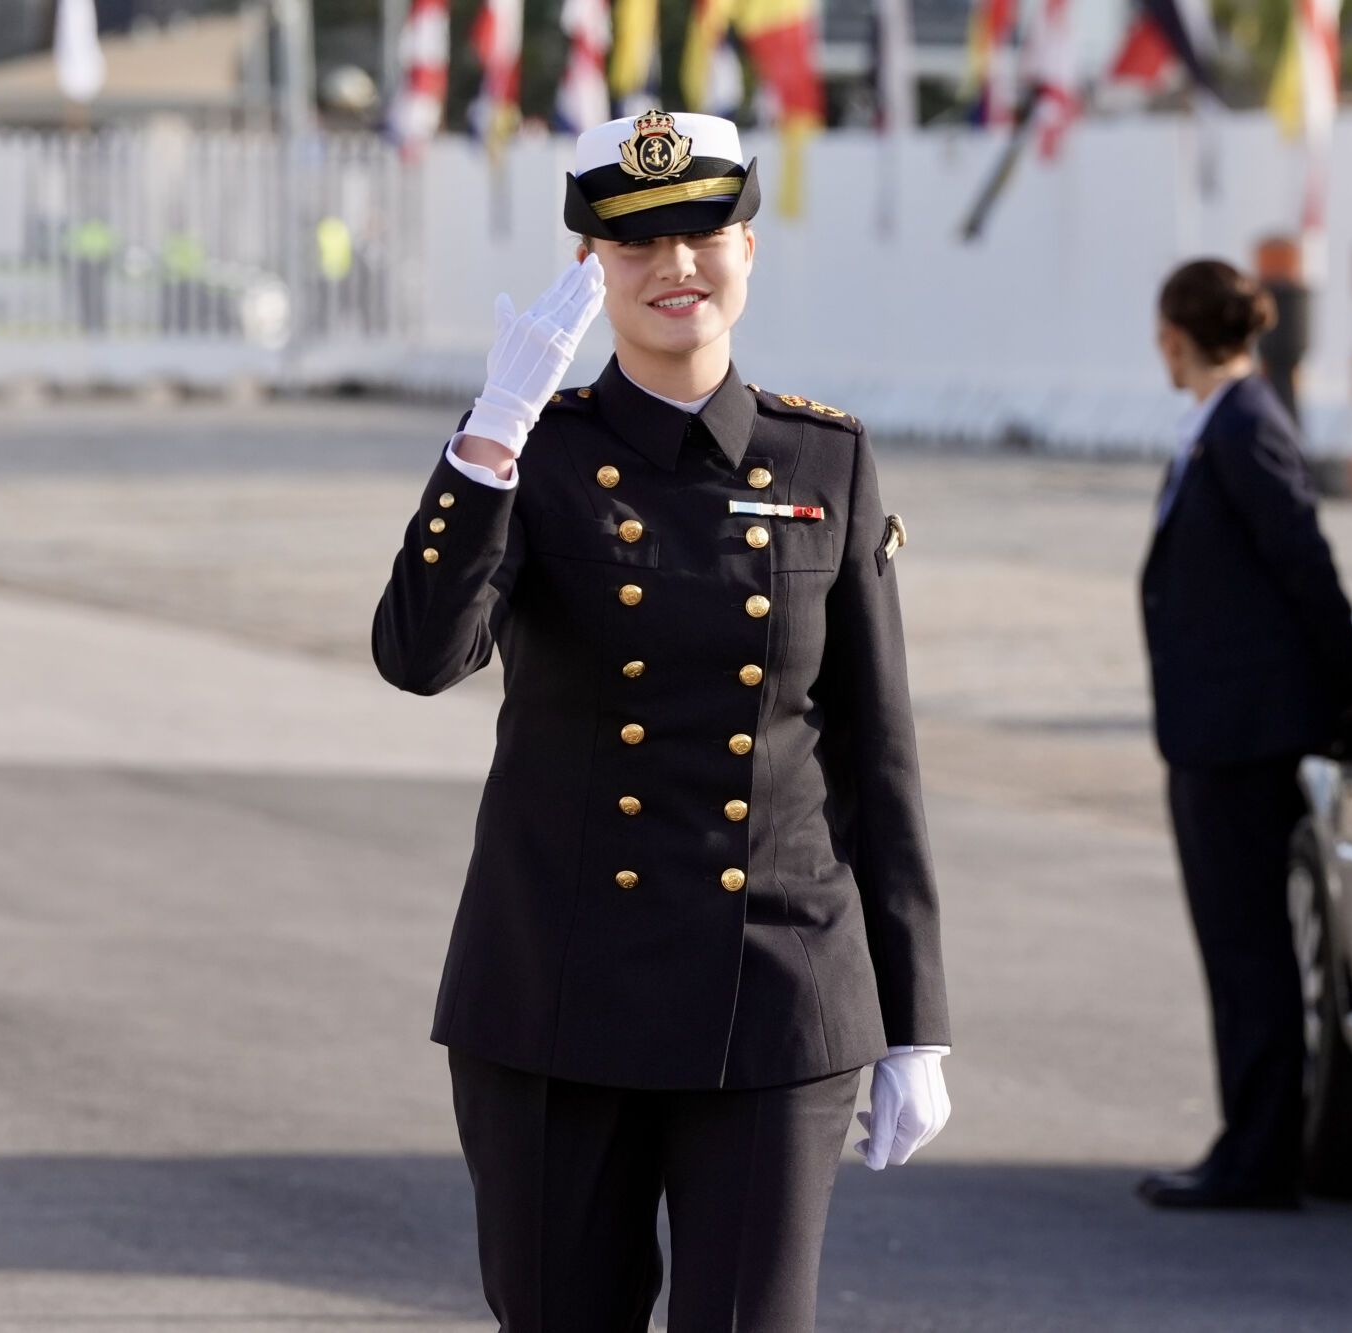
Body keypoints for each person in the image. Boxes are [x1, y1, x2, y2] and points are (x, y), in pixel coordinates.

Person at [370, 110, 953, 1331]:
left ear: (749, 246)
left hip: (774, 989)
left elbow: (874, 756)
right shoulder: (537, 451)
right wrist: (487, 441)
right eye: (635, 242)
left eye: (700, 232)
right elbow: (420, 657)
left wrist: (916, 1025)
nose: (673, 266)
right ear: (588, 263)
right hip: (555, 989)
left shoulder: (823, 463)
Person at [1135, 258, 1352, 1210]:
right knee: (1239, 948)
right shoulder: (1221, 424)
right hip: (1215, 730)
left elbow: (1304, 558)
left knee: (1249, 950)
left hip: (1240, 738)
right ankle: (1252, 1141)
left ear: (1175, 337)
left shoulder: (1243, 427)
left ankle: (1260, 1153)